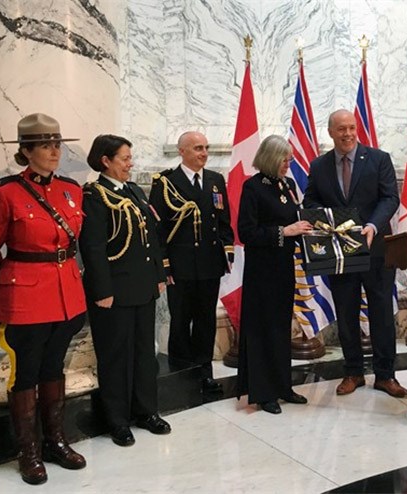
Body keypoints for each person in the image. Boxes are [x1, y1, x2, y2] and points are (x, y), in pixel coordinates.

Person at [0, 113, 87, 485]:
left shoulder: (71, 189)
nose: (55, 151)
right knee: (26, 373)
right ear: (26, 151)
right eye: (45, 145)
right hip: (24, 297)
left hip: (66, 293)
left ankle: (55, 440)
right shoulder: (3, 193)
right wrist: (9, 284)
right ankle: (29, 451)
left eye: (57, 144)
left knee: (54, 367)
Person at [304, 109, 407, 398]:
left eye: (351, 127)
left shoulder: (378, 158)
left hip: (376, 250)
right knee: (346, 313)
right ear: (331, 132)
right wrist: (322, 223)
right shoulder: (319, 165)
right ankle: (353, 372)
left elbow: (390, 197)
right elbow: (311, 200)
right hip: (341, 254)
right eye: (341, 129)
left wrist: (374, 225)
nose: (347, 133)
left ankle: (386, 376)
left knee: (381, 314)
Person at [79, 134, 171, 447]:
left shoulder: (131, 191)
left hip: (143, 287)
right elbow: (92, 248)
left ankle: (146, 411)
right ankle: (117, 420)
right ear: (106, 160)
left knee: (145, 354)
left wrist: (158, 274)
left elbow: (151, 236)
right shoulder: (95, 195)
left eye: (130, 158)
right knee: (116, 357)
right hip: (114, 292)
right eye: (125, 159)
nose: (130, 165)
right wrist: (102, 290)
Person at [149, 131, 234, 392]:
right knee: (180, 321)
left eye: (206, 147)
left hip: (209, 264)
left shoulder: (215, 180)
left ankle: (204, 373)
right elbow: (158, 230)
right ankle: (181, 373)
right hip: (180, 267)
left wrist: (226, 254)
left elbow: (223, 222)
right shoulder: (166, 183)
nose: (204, 153)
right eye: (198, 148)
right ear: (182, 151)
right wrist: (165, 266)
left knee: (206, 321)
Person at [236, 135, 313, 414]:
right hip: (261, 270)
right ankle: (262, 392)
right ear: (270, 158)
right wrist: (285, 231)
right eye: (284, 159)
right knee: (262, 329)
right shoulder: (253, 188)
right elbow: (246, 232)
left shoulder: (288, 185)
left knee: (280, 328)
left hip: (283, 267)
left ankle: (283, 386)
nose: (288, 163)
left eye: (290, 158)